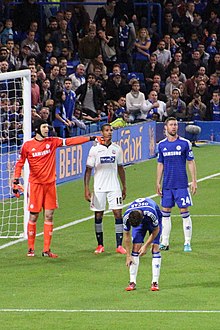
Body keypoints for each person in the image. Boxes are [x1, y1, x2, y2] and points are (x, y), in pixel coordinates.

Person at [13, 119, 99, 258]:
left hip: (50, 185)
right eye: (44, 126)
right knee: (34, 216)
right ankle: (30, 248)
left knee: (49, 215)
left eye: (47, 126)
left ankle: (46, 250)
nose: (47, 129)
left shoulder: (52, 142)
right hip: (35, 186)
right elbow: (20, 163)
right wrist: (16, 179)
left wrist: (90, 138)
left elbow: (70, 141)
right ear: (37, 129)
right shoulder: (28, 146)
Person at [84, 123, 127, 255]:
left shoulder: (117, 149)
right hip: (99, 188)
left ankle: (119, 245)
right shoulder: (95, 150)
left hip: (114, 186)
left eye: (111, 130)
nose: (109, 132)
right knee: (98, 214)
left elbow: (120, 168)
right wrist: (86, 188)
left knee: (118, 214)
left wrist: (124, 185)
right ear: (102, 132)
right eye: (107, 130)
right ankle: (100, 245)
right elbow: (88, 170)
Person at [156, 117, 197, 252]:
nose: (174, 127)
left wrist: (194, 180)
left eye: (175, 125)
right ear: (166, 128)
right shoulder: (161, 145)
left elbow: (190, 162)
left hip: (181, 185)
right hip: (167, 185)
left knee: (184, 212)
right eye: (171, 125)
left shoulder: (185, 143)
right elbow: (160, 164)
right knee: (165, 213)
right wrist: (158, 182)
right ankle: (165, 242)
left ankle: (187, 242)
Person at [123, 197, 162, 291]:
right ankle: (132, 282)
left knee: (155, 248)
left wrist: (146, 246)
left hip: (154, 222)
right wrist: (128, 255)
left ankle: (155, 283)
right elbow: (127, 236)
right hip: (139, 221)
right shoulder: (127, 216)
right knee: (135, 248)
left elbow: (156, 230)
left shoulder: (151, 213)